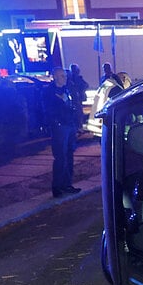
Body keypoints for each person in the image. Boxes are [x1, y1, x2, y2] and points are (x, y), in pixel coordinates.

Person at [43, 67, 80, 198]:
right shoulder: (49, 92)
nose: (65, 78)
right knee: (60, 157)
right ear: (55, 77)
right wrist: (62, 104)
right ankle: (57, 186)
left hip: (69, 125)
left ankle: (67, 184)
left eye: (65, 76)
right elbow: (49, 110)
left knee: (69, 155)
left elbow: (72, 106)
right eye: (62, 76)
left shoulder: (66, 89)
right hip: (60, 127)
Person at [67, 63, 89, 128]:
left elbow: (85, 85)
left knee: (79, 113)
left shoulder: (76, 78)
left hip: (77, 98)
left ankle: (79, 126)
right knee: (77, 113)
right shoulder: (72, 79)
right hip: (74, 99)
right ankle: (78, 126)